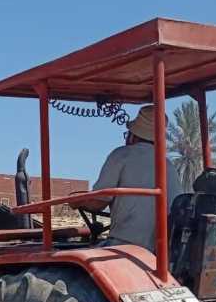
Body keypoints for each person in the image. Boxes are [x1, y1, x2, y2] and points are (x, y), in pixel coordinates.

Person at [69, 105, 182, 252]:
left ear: (132, 136)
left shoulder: (122, 155)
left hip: (124, 245)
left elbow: (97, 202)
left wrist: (76, 201)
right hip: (159, 251)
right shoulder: (168, 165)